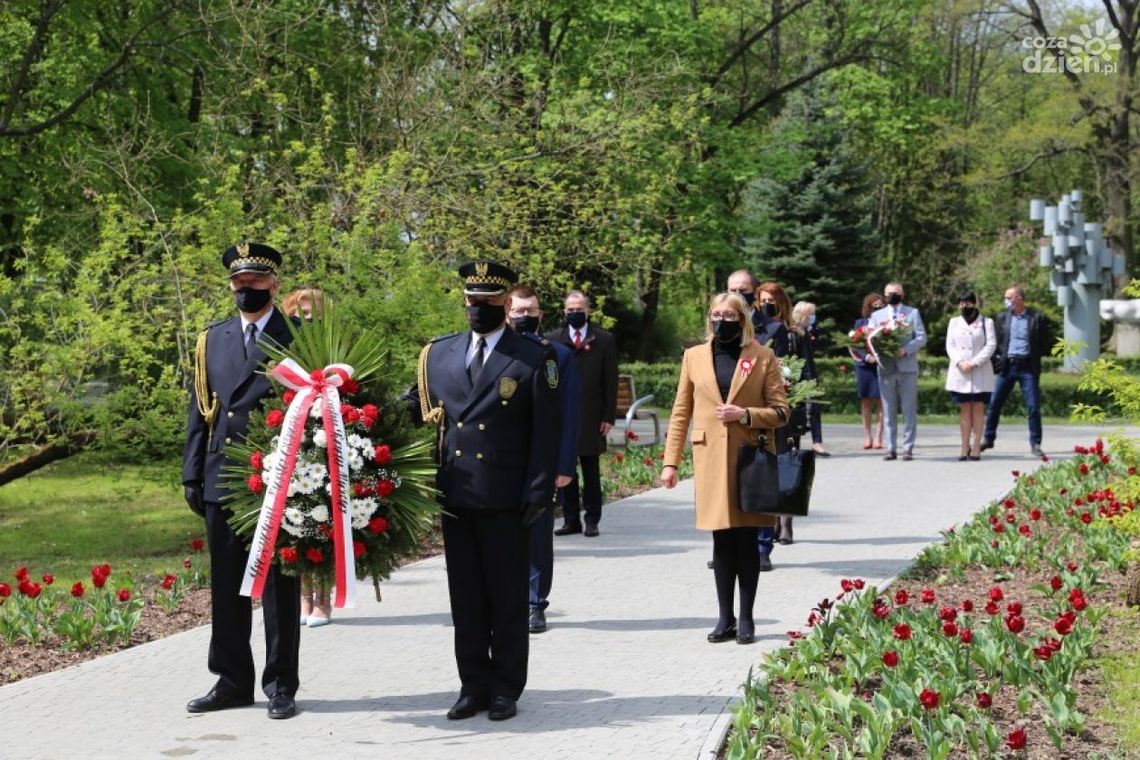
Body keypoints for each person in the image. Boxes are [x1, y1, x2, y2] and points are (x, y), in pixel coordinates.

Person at [404, 260, 561, 722]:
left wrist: (539, 490)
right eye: (472, 300)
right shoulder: (439, 354)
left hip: (507, 494)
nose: (478, 308)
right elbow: (414, 407)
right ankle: (472, 685)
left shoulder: (534, 356)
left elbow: (546, 429)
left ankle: (506, 687)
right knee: (466, 597)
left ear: (506, 304)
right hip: (456, 493)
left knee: (506, 596)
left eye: (489, 301)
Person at [182, 242, 301, 720]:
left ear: (274, 284)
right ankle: (231, 680)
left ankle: (280, 683)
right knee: (226, 582)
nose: (244, 289)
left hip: (274, 475)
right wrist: (192, 470)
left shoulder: (297, 336)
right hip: (221, 475)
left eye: (254, 282)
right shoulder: (213, 339)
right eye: (238, 282)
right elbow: (200, 408)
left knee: (277, 586)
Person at [660, 293, 790, 646]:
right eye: (715, 314)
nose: (721, 320)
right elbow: (680, 411)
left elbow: (781, 411)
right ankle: (724, 618)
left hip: (750, 458)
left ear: (742, 318)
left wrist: (745, 414)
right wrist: (670, 462)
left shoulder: (762, 357)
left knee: (746, 540)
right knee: (721, 540)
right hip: (710, 459)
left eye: (729, 314)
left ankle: (747, 618)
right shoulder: (694, 357)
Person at [506, 284, 580, 634]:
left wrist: (564, 465)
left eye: (531, 311)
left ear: (540, 313)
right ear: (507, 312)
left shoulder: (559, 356)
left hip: (541, 462)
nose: (525, 316)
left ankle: (536, 604)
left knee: (538, 536)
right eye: (518, 311)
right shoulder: (497, 351)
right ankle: (506, 602)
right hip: (501, 460)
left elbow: (569, 413)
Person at [280, 288, 335, 628]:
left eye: (313, 313)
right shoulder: (284, 346)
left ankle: (324, 600)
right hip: (291, 434)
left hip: (326, 432)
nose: (307, 319)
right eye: (300, 314)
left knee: (323, 520)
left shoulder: (332, 346)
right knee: (296, 519)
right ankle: (303, 597)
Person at [550, 291, 617, 537]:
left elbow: (610, 380)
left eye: (579, 309)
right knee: (564, 470)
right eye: (570, 310)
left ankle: (591, 520)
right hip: (563, 416)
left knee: (591, 472)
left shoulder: (604, 339)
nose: (574, 313)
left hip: (592, 416)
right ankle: (570, 520)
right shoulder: (553, 339)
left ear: (588, 311)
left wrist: (608, 416)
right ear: (563, 312)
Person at [756, 282, 814, 548]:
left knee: (788, 464)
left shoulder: (795, 333)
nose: (767, 304)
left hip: (789, 405)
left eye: (772, 300)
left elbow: (807, 370)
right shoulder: (755, 333)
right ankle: (771, 520)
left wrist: (804, 403)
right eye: (763, 299)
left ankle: (787, 521)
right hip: (763, 408)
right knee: (767, 465)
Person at [981, 284, 1049, 457]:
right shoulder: (1002, 318)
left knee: (1033, 407)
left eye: (1009, 297)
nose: (1007, 301)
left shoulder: (1037, 317)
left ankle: (1036, 443)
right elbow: (994, 341)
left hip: (1028, 367)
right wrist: (996, 360)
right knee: (994, 403)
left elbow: (1044, 343)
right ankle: (988, 439)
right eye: (1006, 298)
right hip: (1008, 366)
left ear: (1019, 298)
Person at [868, 282, 927, 461]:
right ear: (884, 295)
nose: (892, 296)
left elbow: (921, 336)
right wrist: (881, 350)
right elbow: (870, 339)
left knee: (909, 410)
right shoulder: (876, 315)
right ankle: (890, 448)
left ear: (902, 294)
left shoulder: (912, 313)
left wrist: (906, 349)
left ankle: (908, 448)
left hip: (907, 367)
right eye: (889, 293)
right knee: (888, 410)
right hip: (886, 367)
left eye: (896, 293)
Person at [944, 290, 997, 460]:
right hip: (960, 371)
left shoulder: (986, 322)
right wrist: (960, 362)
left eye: (967, 302)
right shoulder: (954, 322)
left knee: (978, 409)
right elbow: (950, 346)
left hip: (980, 370)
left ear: (975, 303)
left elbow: (991, 345)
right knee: (965, 409)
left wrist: (974, 362)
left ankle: (976, 447)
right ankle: (964, 446)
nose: (964, 306)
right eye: (961, 302)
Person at [791, 300, 828, 457]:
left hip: (810, 373)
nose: (813, 317)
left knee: (815, 408)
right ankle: (795, 443)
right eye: (810, 314)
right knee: (798, 409)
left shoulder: (811, 331)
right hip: (799, 375)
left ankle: (817, 442)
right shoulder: (794, 332)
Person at [850, 293, 885, 449]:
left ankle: (878, 438)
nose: (877, 308)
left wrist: (877, 356)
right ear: (868, 306)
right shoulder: (860, 323)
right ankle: (867, 437)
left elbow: (890, 343)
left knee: (881, 402)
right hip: (864, 366)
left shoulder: (887, 323)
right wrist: (865, 357)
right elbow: (854, 344)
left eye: (881, 305)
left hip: (881, 365)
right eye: (874, 305)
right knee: (865, 402)